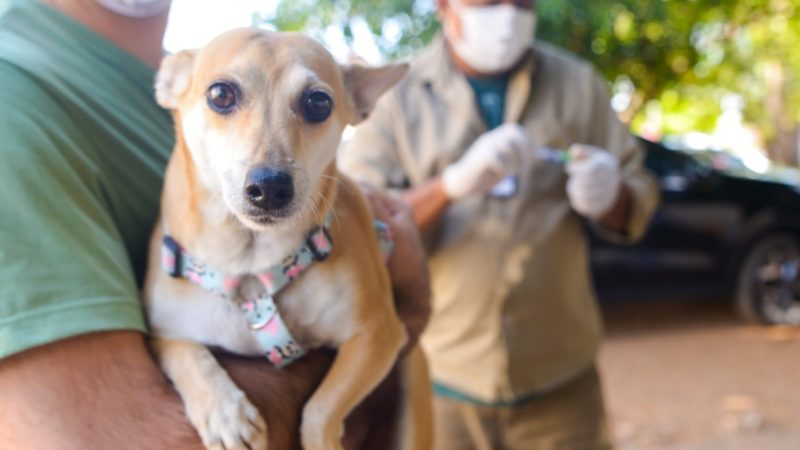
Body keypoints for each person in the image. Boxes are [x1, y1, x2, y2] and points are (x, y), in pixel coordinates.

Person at [0, 0, 430, 448]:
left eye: (314, 104)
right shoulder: (13, 95)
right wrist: (411, 300)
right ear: (172, 87)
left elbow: (378, 335)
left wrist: (325, 416)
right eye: (225, 97)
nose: (270, 172)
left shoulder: (155, 73)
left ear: (356, 104)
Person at [340, 0, 660, 448]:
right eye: (488, 2)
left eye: (522, 1)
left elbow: (638, 198)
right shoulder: (395, 96)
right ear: (443, 6)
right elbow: (358, 227)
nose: (508, 15)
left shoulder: (577, 84)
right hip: (442, 378)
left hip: (560, 381)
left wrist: (612, 195)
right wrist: (448, 186)